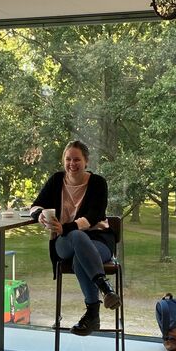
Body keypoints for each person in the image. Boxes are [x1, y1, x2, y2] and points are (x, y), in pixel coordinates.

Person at [29, 140, 119, 336]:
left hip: (99, 240)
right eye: (68, 159)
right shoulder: (56, 180)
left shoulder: (98, 183)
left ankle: (92, 315)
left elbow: (94, 215)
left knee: (80, 258)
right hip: (64, 242)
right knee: (76, 236)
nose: (72, 164)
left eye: (77, 159)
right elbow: (35, 205)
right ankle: (105, 288)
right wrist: (40, 215)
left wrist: (66, 226)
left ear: (86, 161)